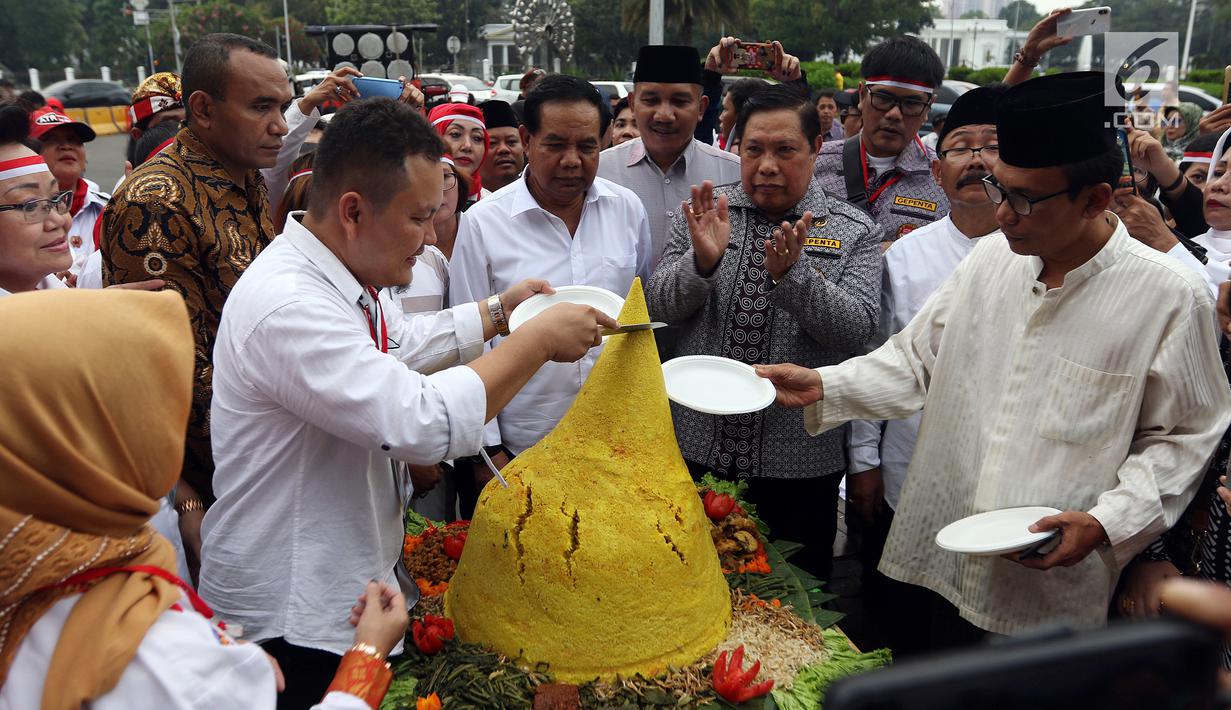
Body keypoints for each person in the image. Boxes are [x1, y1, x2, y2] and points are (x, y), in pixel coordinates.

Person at [756, 72, 1231, 648]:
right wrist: (825, 386)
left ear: (1096, 199)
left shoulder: (1167, 295)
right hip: (949, 548)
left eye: (1024, 198)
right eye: (999, 187)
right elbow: (914, 362)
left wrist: (1109, 522)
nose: (1002, 212)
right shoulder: (990, 260)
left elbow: (1185, 436)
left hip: (1051, 578)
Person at [199, 97, 616, 709]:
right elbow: (418, 421)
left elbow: (400, 342)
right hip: (293, 613)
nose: (427, 242)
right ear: (353, 212)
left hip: (344, 583)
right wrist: (534, 342)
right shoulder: (290, 305)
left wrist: (499, 311)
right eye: (419, 218)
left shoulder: (342, 275)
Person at [0, 288, 411, 710]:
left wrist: (220, 655)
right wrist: (367, 654)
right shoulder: (149, 655)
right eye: (143, 405)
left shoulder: (33, 564)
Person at [101, 34, 332, 580]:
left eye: (282, 105)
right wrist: (186, 499)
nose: (281, 124)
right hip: (218, 488)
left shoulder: (244, 176)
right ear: (202, 109)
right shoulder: (157, 202)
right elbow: (169, 370)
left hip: (267, 468)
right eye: (261, 107)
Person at [647, 85, 883, 583]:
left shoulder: (852, 229)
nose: (767, 165)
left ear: (817, 148)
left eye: (784, 150)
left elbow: (858, 331)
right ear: (737, 147)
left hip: (798, 463)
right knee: (686, 587)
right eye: (754, 150)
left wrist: (794, 279)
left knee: (792, 600)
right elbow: (660, 306)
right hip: (696, 448)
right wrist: (702, 263)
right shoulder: (708, 213)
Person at [845, 85, 1005, 655]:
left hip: (1005, 488)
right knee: (900, 626)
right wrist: (863, 463)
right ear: (937, 173)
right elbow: (875, 360)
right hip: (908, 474)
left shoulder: (1045, 253)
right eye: (963, 148)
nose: (979, 160)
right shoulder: (905, 256)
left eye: (994, 147)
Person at [451, 74, 653, 456]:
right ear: (527, 140)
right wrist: (487, 449)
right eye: (556, 145)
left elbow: (638, 315)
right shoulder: (483, 222)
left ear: (604, 141)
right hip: (523, 443)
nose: (572, 161)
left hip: (617, 437)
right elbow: (471, 343)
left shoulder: (627, 209)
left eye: (587, 146)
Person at [598, 45, 741, 270]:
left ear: (701, 107)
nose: (664, 115)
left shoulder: (735, 173)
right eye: (651, 100)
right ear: (633, 103)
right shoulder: (599, 173)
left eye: (680, 101)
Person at [813, 36, 949, 246]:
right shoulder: (814, 164)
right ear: (861, 96)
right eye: (883, 99)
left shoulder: (942, 182)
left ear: (928, 107)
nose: (894, 114)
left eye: (912, 103)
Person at [28, 106, 106, 280]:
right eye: (51, 140)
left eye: (74, 140)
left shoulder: (110, 207)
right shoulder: (15, 216)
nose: (66, 146)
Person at [125, 72, 185, 169]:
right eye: (170, 123)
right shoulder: (131, 183)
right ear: (138, 135)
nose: (184, 132)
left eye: (188, 121)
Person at [429, 102, 488, 199]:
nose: (467, 146)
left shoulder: (494, 208)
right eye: (455, 134)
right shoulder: (408, 202)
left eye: (477, 138)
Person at [478, 100, 525, 193]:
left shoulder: (543, 198)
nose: (504, 149)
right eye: (492, 143)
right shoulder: (459, 202)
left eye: (511, 142)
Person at [717, 78, 767, 152]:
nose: (720, 117)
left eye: (725, 109)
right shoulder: (716, 144)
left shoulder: (733, 156)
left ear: (742, 116)